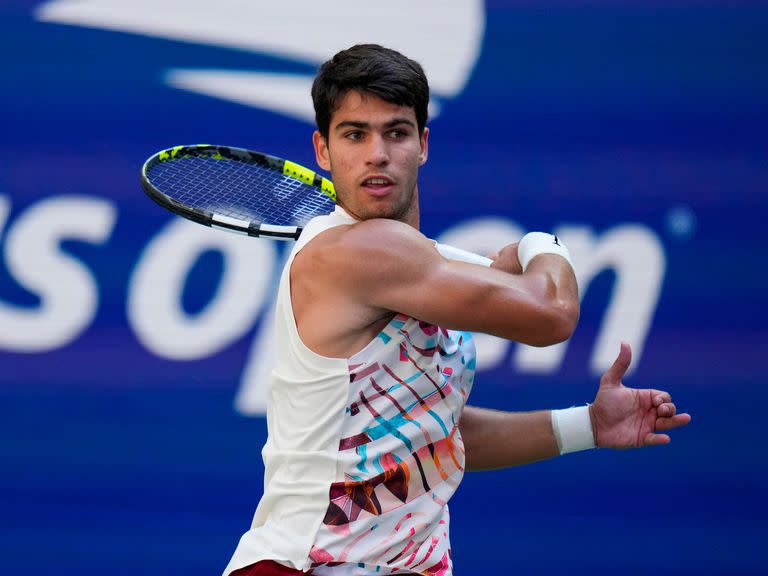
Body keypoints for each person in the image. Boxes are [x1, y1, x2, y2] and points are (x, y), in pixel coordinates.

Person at [224, 44, 691, 576]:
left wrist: (587, 424)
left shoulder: (415, 264)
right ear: (322, 150)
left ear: (422, 145)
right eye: (355, 134)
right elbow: (553, 312)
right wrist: (544, 244)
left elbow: (433, 433)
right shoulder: (354, 252)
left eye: (396, 132)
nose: (377, 153)